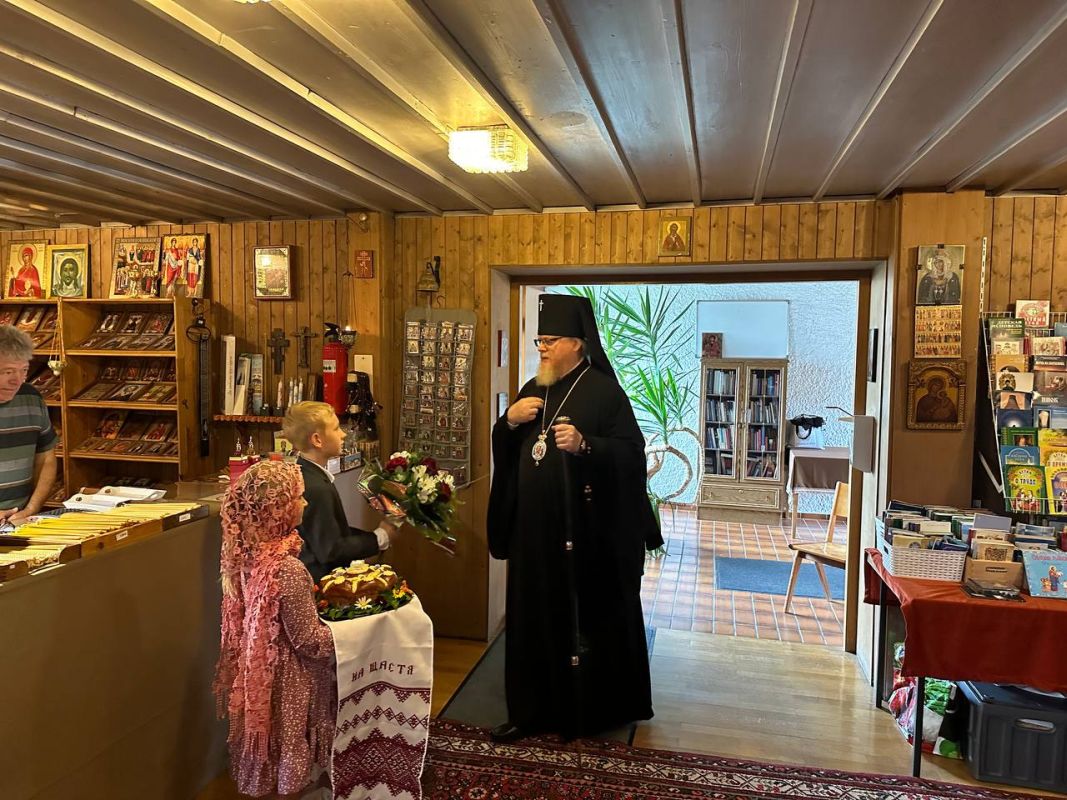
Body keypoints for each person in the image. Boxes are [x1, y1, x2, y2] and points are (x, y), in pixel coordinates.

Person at [486, 294, 662, 742]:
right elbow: (509, 452)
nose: (542, 348)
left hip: (587, 537)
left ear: (578, 343)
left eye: (550, 340)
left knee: (582, 624)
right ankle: (529, 711)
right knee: (531, 622)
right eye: (539, 340)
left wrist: (587, 445)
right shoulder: (533, 388)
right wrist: (508, 423)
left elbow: (632, 456)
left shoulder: (604, 393)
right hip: (533, 535)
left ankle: (585, 714)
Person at [213, 461, 334, 799]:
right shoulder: (287, 568)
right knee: (290, 757)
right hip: (290, 681)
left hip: (258, 676)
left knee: (272, 756)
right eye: (298, 497)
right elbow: (309, 642)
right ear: (278, 508)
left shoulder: (242, 554)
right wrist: (354, 632)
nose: (305, 503)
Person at [282, 401, 395, 582]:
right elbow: (330, 549)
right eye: (336, 429)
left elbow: (331, 530)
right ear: (317, 440)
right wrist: (380, 537)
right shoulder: (317, 488)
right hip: (320, 582)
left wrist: (376, 536)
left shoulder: (308, 474)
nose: (343, 434)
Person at [0, 326, 58, 523]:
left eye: (23, 370)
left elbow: (46, 458)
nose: (16, 380)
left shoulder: (31, 398)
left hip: (18, 521)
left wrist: (31, 509)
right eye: (8, 371)